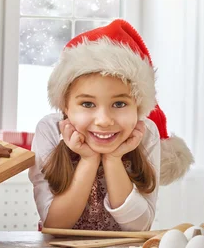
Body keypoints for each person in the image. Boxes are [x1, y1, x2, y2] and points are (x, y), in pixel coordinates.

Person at [29, 19, 194, 231]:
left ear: (138, 107)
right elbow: (56, 225)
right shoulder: (50, 130)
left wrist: (113, 158)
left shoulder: (146, 132)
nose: (104, 120)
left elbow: (139, 227)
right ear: (66, 107)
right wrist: (88, 160)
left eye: (119, 103)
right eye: (87, 104)